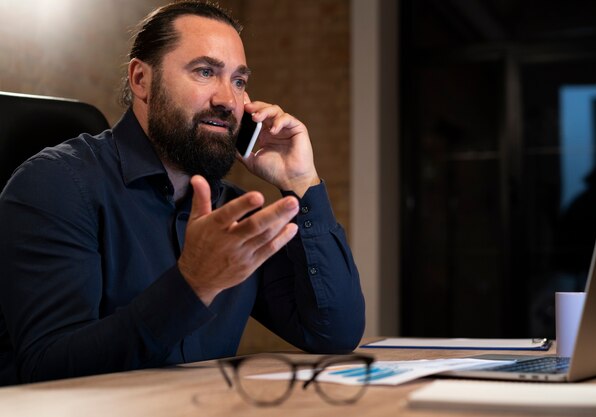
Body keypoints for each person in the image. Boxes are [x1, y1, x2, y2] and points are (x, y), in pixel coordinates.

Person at [0, 1, 365, 386]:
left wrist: (302, 181)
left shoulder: (232, 213)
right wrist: (194, 284)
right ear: (141, 80)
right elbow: (48, 368)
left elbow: (333, 332)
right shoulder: (55, 185)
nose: (228, 99)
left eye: (239, 81)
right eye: (205, 72)